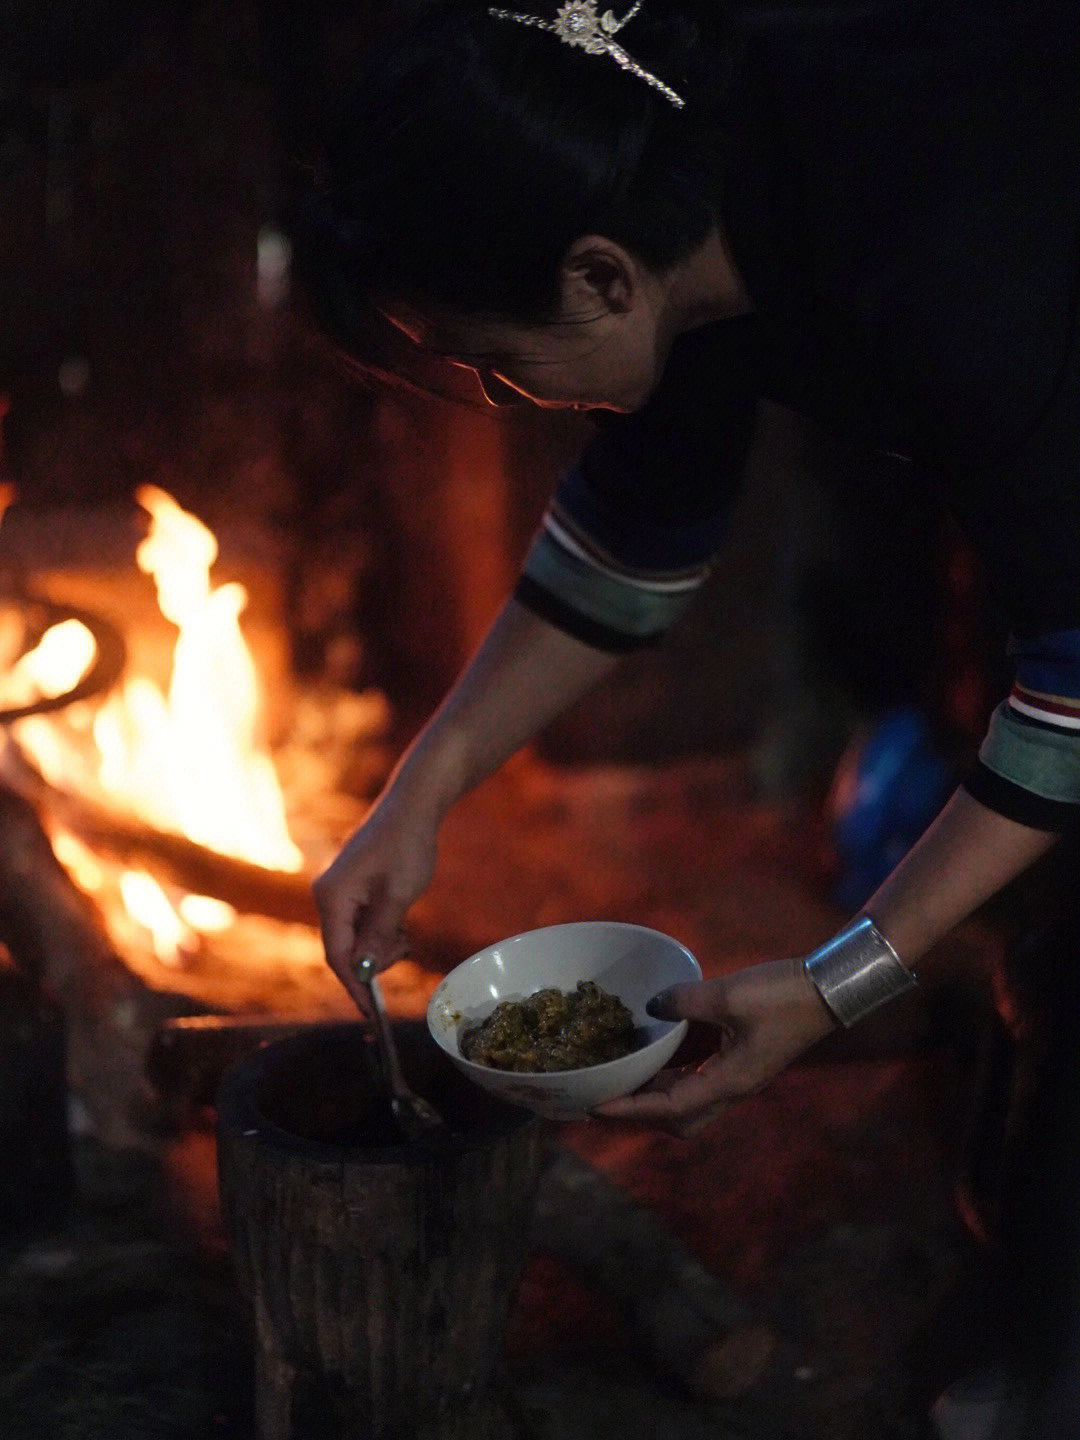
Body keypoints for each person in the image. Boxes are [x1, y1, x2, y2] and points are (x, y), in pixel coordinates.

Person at [286, 2, 1080, 1433]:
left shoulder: (949, 246)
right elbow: (630, 545)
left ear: (597, 277)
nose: (497, 396)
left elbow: (1079, 685)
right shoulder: (671, 212)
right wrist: (421, 789)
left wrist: (841, 980)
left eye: (493, 358)